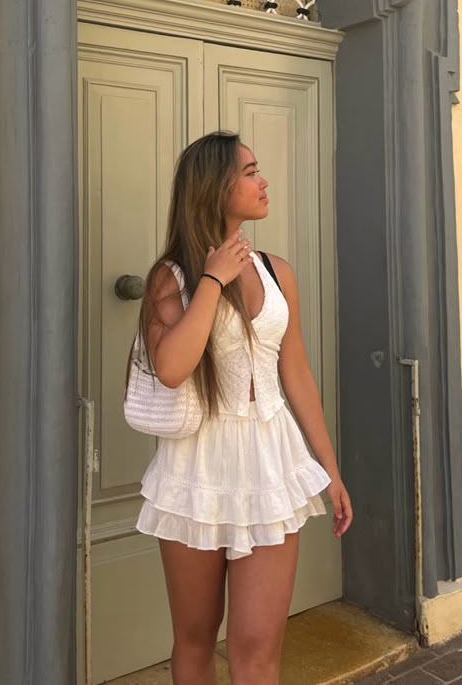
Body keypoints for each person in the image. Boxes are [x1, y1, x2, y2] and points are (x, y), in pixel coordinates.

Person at [132, 131, 352, 685]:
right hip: (196, 470)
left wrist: (329, 468)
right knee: (196, 639)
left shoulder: (278, 272)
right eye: (251, 171)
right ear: (215, 186)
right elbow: (173, 368)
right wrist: (212, 279)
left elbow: (295, 371)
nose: (264, 181)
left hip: (271, 464)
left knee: (258, 648)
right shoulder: (173, 277)